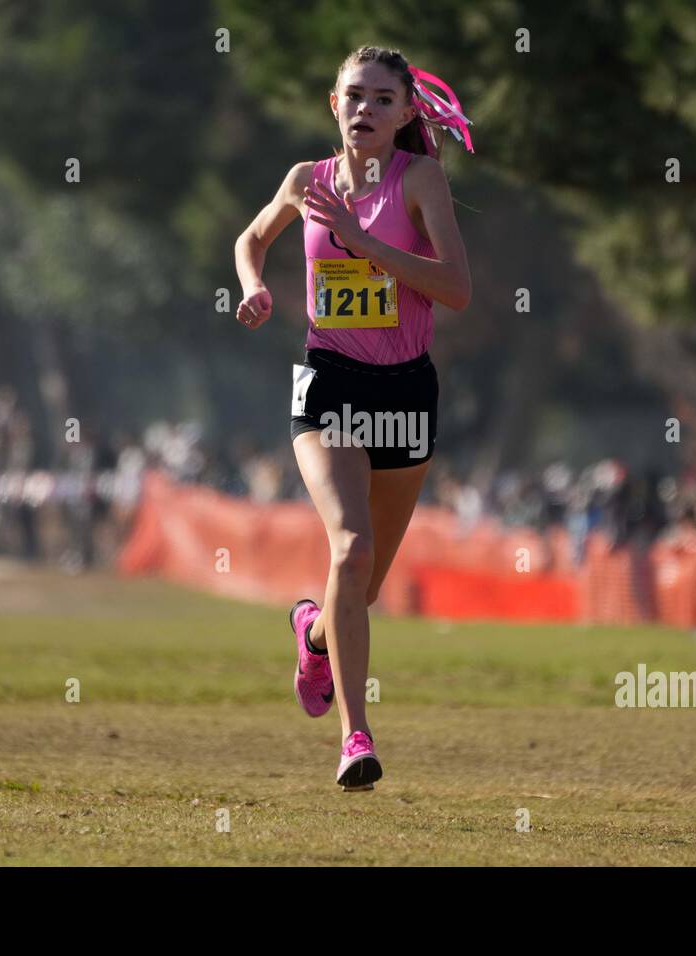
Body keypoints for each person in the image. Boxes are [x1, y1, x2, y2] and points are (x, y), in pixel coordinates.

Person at [233, 45, 473, 790]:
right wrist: (253, 285)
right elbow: (250, 239)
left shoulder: (420, 180)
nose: (365, 109)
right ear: (333, 107)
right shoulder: (306, 180)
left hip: (405, 391)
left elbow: (457, 289)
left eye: (381, 99)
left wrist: (364, 243)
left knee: (359, 589)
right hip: (329, 383)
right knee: (351, 547)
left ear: (405, 113)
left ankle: (312, 633)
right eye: (354, 97)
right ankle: (355, 737)